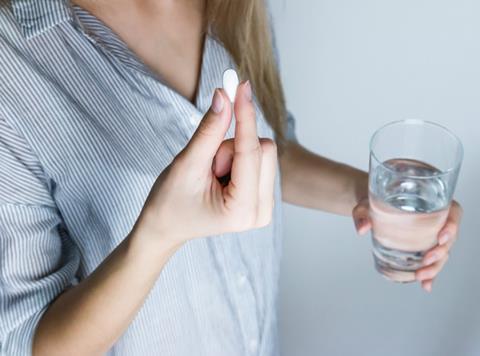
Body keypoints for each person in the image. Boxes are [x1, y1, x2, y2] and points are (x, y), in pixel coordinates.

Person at [0, 0, 463, 355]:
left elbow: (265, 151)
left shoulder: (234, 8)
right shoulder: (14, 60)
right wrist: (158, 235)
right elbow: (29, 341)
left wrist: (368, 196)